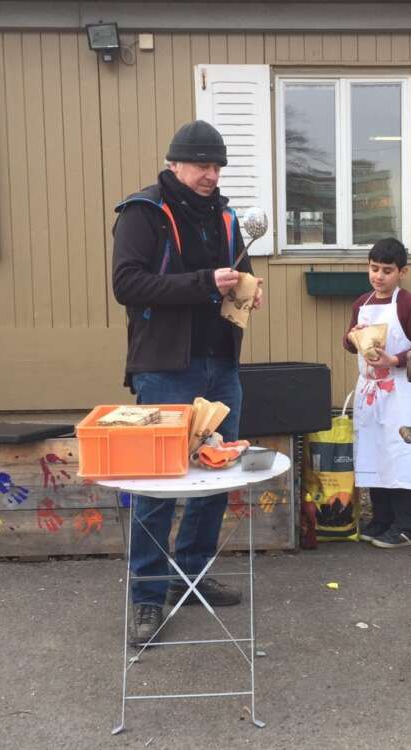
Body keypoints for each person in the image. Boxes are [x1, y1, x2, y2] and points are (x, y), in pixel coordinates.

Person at [111, 120, 264, 646]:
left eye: (217, 165)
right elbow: (126, 284)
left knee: (218, 475)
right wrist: (204, 283)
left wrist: (246, 289)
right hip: (164, 368)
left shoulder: (225, 215)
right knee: (159, 483)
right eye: (202, 164)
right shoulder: (143, 212)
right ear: (175, 163)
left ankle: (191, 574)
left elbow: (235, 270)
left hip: (221, 363)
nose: (210, 174)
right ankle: (147, 597)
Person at [343, 238, 411, 548]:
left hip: (401, 390)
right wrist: (352, 337)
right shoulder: (362, 304)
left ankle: (408, 525)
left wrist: (395, 360)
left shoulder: (409, 305)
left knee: (400, 452)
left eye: (387, 270)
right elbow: (348, 343)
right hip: (370, 390)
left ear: (402, 272)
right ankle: (381, 519)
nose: (379, 276)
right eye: (374, 269)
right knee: (373, 449)